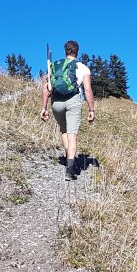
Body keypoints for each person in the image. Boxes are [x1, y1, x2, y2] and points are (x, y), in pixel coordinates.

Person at [40, 40, 95, 180]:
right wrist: (91, 110)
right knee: (72, 134)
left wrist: (44, 108)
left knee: (64, 130)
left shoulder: (55, 65)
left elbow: (46, 88)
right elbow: (87, 90)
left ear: (65, 51)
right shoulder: (83, 68)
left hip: (56, 102)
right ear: (77, 52)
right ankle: (70, 169)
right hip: (73, 101)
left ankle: (68, 158)